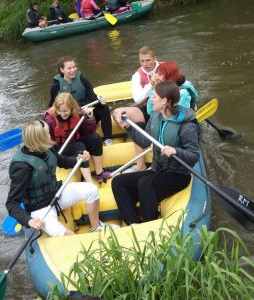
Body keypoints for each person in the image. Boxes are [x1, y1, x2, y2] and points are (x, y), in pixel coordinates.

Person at [112, 81, 200, 225]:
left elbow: (194, 156)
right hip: (158, 170)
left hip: (178, 175)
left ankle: (149, 225)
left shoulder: (186, 126)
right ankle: (133, 224)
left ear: (165, 101)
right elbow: (144, 141)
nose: (151, 99)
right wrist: (128, 127)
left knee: (145, 183)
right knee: (118, 182)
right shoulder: (155, 117)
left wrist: (175, 151)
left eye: (154, 96)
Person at [5, 120, 115, 236]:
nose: (50, 135)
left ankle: (95, 227)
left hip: (56, 194)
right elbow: (11, 203)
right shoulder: (22, 167)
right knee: (59, 232)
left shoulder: (46, 149)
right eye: (47, 134)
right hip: (39, 208)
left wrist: (78, 159)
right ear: (39, 139)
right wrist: (29, 221)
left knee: (91, 190)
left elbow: (62, 161)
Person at [44, 93, 112, 184]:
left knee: (95, 138)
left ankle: (99, 174)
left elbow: (90, 132)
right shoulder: (49, 119)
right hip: (60, 148)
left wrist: (90, 118)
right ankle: (90, 183)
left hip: (75, 141)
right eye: (60, 111)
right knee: (79, 147)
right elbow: (47, 141)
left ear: (71, 108)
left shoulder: (78, 112)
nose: (63, 114)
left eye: (66, 111)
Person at [49, 56, 113, 146]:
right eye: (69, 68)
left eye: (74, 67)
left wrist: (100, 102)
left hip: (84, 115)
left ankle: (108, 138)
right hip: (69, 118)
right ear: (62, 70)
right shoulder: (56, 86)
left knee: (104, 108)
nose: (73, 70)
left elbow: (92, 98)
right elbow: (52, 107)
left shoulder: (83, 80)